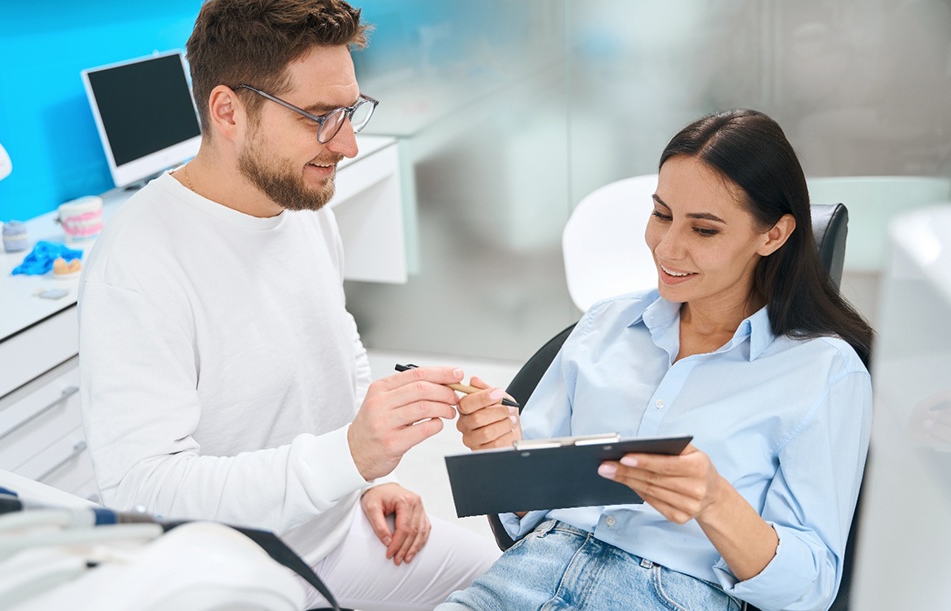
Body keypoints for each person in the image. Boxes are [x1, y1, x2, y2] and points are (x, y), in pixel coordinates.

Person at [77, 1, 499, 608]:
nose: (348, 144)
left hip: (333, 533)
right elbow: (146, 492)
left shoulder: (300, 203)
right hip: (228, 571)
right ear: (227, 110)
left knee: (513, 580)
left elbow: (338, 348)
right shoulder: (140, 261)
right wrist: (345, 458)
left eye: (350, 111)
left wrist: (363, 480)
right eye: (320, 117)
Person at [440, 109, 873, 611]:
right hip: (529, 573)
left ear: (772, 236)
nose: (666, 248)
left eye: (704, 230)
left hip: (670, 595)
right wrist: (502, 450)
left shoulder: (825, 373)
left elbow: (811, 588)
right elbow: (524, 511)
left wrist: (715, 501)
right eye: (662, 215)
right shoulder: (606, 325)